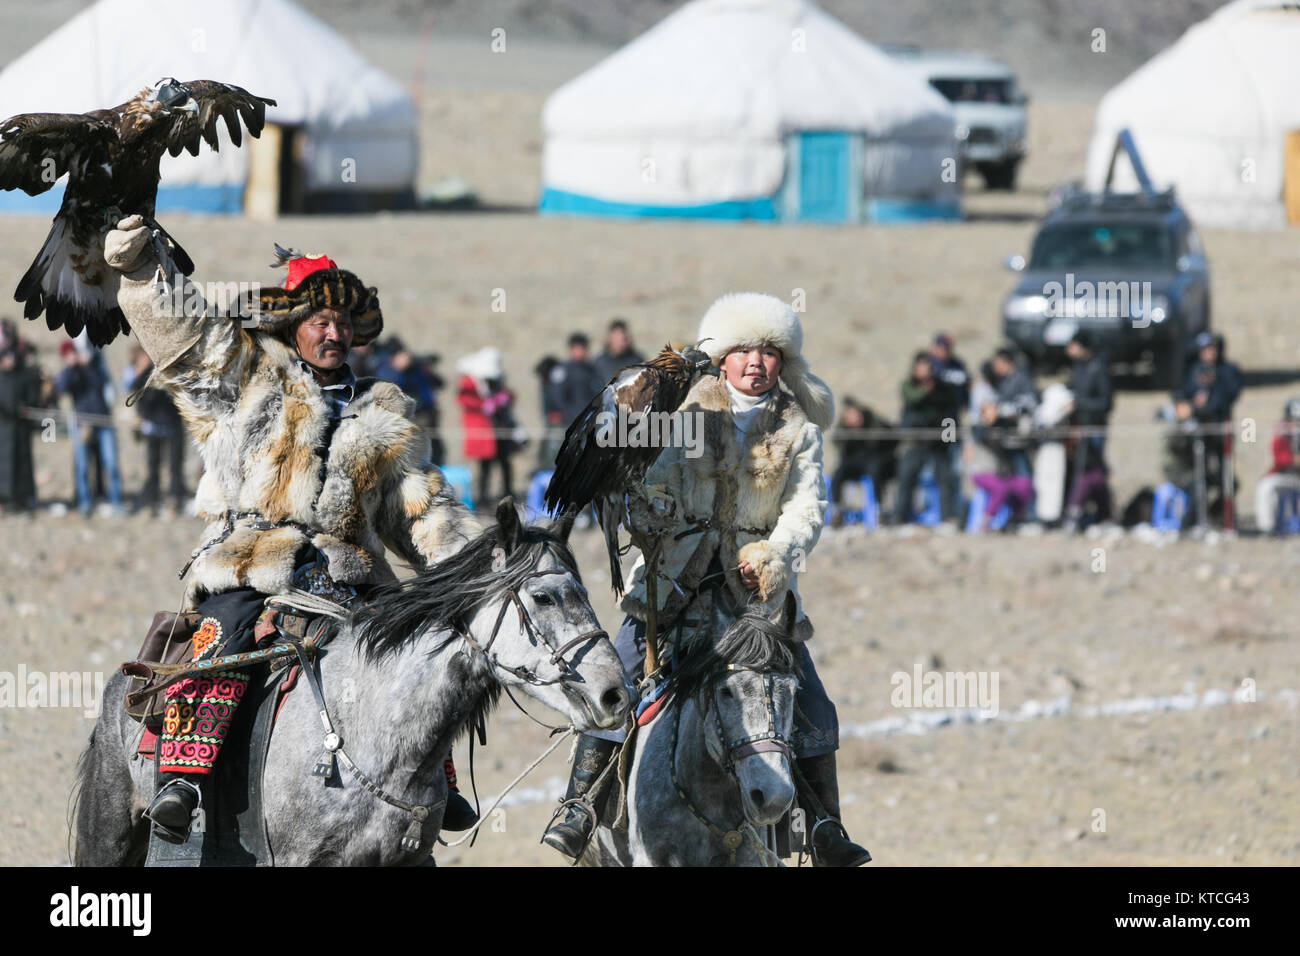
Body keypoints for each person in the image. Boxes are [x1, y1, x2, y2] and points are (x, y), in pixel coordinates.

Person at [100, 216, 482, 842]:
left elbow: (421, 508)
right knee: (225, 632)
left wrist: (473, 571)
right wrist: (141, 271)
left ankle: (437, 779)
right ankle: (182, 780)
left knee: (424, 652)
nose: (334, 333)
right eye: (320, 322)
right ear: (294, 327)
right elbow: (186, 336)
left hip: (348, 571)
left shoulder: (379, 415)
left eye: (342, 324)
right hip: (255, 556)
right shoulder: (250, 381)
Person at [542, 292, 870, 867]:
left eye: (769, 351)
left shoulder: (799, 428)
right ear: (721, 356)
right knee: (613, 678)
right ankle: (581, 803)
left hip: (755, 602)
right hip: (670, 586)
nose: (755, 362)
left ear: (784, 362)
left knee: (812, 701)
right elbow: (654, 482)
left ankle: (823, 827)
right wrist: (653, 511)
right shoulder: (686, 411)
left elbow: (806, 508)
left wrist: (776, 550)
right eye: (743, 348)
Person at [55, 340, 124, 517]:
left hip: (103, 420)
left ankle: (116, 502)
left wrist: (88, 365)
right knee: (83, 466)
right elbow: (60, 389)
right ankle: (85, 503)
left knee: (111, 463)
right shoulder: (70, 372)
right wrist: (71, 368)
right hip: (82, 424)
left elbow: (102, 383)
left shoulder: (96, 367)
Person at [893, 352, 959, 525]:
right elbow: (913, 398)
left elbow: (950, 414)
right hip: (916, 442)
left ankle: (947, 519)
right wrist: (925, 389)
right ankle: (899, 518)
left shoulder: (942, 388)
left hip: (938, 443)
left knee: (945, 479)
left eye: (929, 367)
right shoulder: (909, 386)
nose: (926, 371)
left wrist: (949, 437)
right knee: (906, 478)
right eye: (922, 367)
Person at [126, 347, 188, 517]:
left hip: (172, 424)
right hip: (153, 427)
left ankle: (175, 499)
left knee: (175, 465)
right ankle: (152, 500)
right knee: (153, 466)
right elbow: (135, 393)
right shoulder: (140, 377)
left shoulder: (165, 370)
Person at [456, 346, 519, 507]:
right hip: (482, 430)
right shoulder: (469, 381)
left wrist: (504, 398)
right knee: (485, 466)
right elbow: (463, 399)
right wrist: (484, 404)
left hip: (499, 428)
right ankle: (483, 498)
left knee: (505, 463)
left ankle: (507, 493)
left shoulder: (494, 378)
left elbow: (507, 394)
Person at [375, 338, 444, 465]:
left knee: (436, 451)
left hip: (428, 414)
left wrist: (427, 370)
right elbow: (390, 387)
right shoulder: (386, 368)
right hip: (408, 418)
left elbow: (439, 383)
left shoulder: (415, 369)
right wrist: (399, 369)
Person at [828, 397, 897, 525]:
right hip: (853, 461)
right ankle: (837, 511)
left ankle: (879, 510)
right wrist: (847, 427)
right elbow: (837, 443)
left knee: (876, 473)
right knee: (838, 474)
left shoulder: (873, 420)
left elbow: (885, 435)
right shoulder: (843, 425)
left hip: (872, 459)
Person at [0, 319, 40, 513]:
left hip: (21, 426)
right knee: (5, 462)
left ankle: (24, 497)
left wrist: (26, 408)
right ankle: (6, 499)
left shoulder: (23, 371)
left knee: (23, 461)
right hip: (4, 426)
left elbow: (32, 395)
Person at [929, 333, 970, 519]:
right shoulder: (927, 366)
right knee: (930, 471)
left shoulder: (958, 366)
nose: (944, 352)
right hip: (929, 426)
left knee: (952, 469)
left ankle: (953, 512)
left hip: (950, 423)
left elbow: (963, 399)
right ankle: (930, 510)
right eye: (941, 348)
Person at [1254, 399, 1300, 533]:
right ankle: (1267, 527)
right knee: (1266, 486)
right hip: (1286, 476)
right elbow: (1281, 459)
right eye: (1293, 420)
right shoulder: (1281, 434)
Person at [551, 332, 605, 430]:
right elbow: (558, 398)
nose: (582, 351)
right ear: (571, 349)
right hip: (569, 423)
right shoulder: (562, 371)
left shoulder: (592, 371)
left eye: (584, 348)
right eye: (578, 348)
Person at [593, 318, 645, 383]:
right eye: (617, 337)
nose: (621, 341)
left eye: (623, 338)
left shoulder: (637, 361)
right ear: (609, 338)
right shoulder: (600, 363)